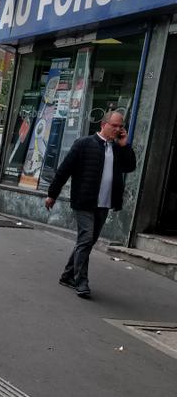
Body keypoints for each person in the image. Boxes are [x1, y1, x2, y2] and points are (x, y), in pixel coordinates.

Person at [45, 110, 136, 299]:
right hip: (84, 201)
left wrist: (125, 145)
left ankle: (67, 275)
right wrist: (52, 194)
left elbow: (130, 167)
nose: (119, 129)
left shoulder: (118, 148)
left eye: (121, 126)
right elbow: (64, 170)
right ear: (104, 125)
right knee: (86, 240)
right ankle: (81, 282)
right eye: (115, 125)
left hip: (104, 203)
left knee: (87, 242)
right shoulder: (84, 144)